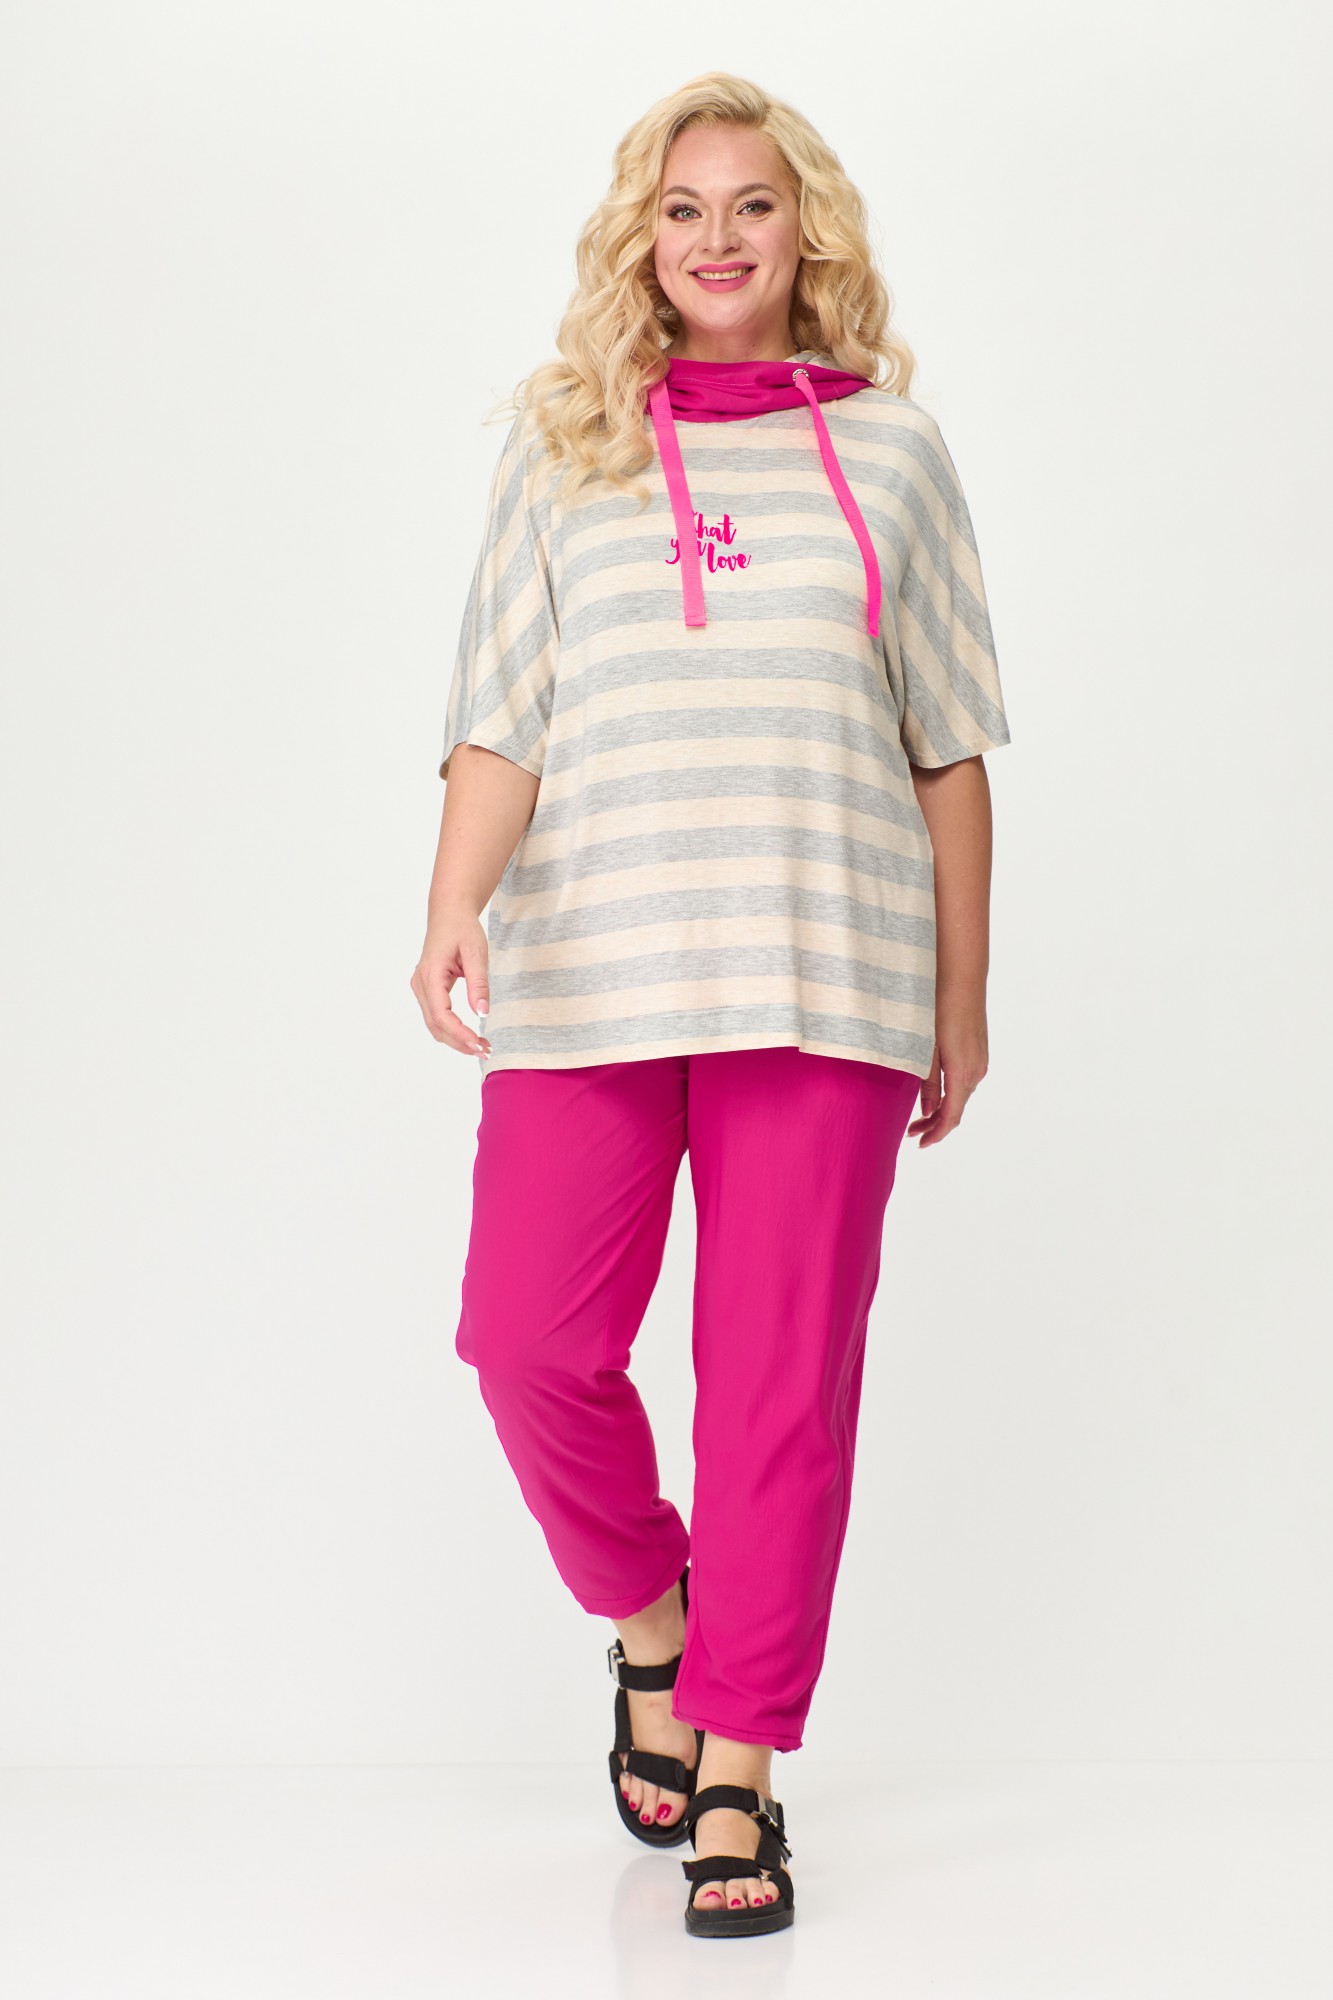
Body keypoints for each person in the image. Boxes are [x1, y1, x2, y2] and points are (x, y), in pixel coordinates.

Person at [410, 70, 1012, 1940]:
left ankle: (740, 1757)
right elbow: (502, 712)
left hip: (828, 975)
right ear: (642, 240)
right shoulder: (564, 445)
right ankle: (655, 1624)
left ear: (802, 229)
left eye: (752, 204)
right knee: (525, 1340)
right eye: (683, 210)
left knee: (774, 1393)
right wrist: (448, 904)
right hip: (593, 968)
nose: (718, 238)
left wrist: (961, 996)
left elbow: (946, 747)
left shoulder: (893, 455)